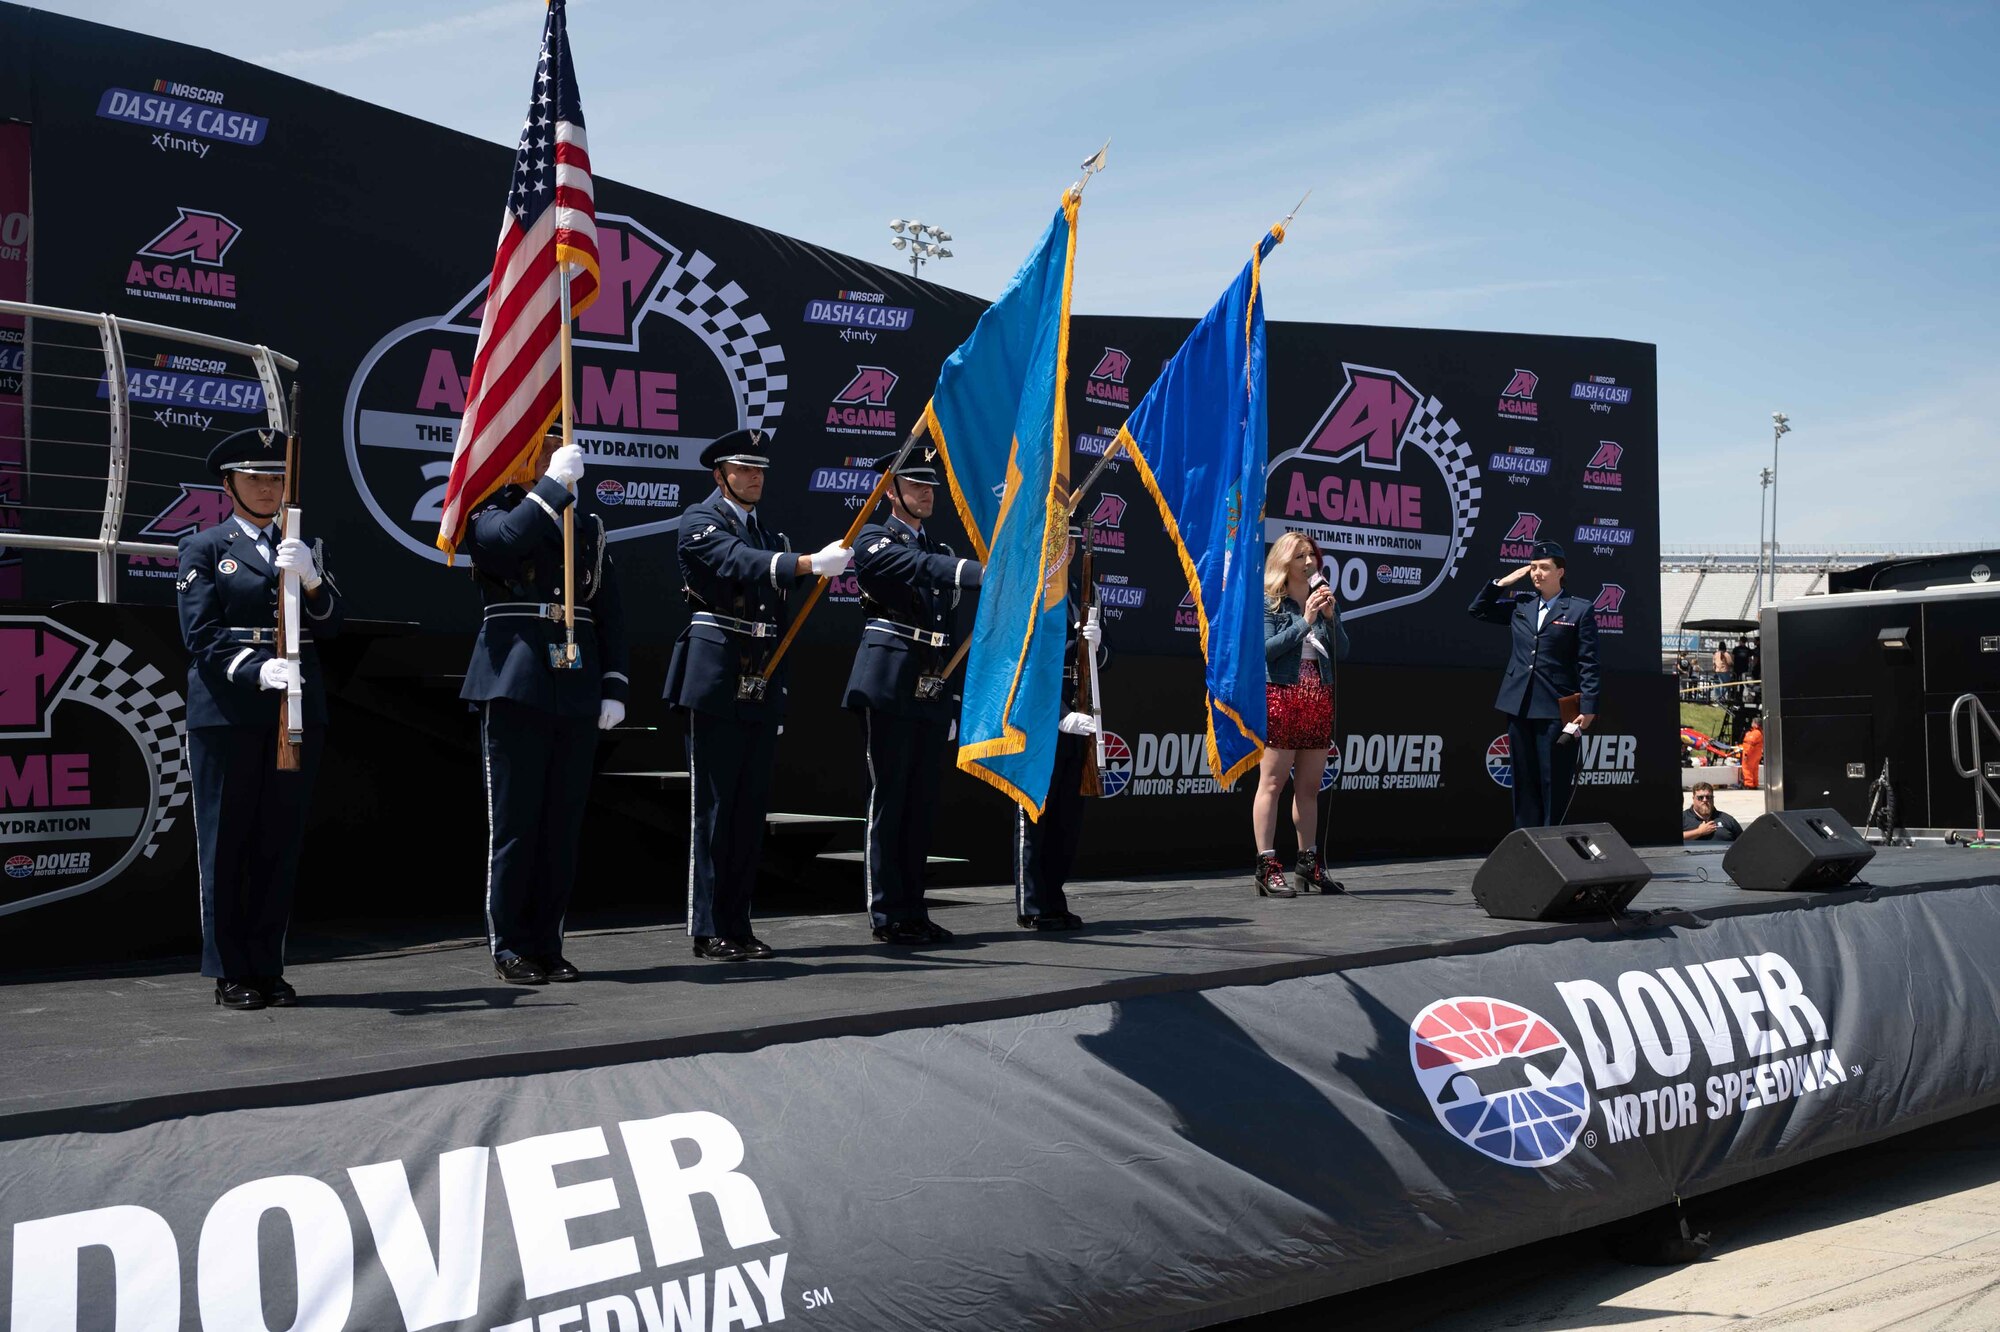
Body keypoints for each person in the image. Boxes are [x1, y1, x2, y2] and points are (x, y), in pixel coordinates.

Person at [176, 424, 345, 1010]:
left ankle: (267, 965)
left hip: (296, 705)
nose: (267, 488)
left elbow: (333, 624)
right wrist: (255, 669)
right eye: (254, 477)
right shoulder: (205, 548)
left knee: (279, 839)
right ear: (229, 484)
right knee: (226, 842)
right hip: (229, 707)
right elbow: (200, 635)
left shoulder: (301, 544)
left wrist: (314, 580)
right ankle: (230, 970)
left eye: (276, 477)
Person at [666, 428, 852, 961]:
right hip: (715, 676)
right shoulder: (700, 521)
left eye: (760, 470)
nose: (755, 478)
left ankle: (738, 923)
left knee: (749, 813)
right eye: (744, 469)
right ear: (719, 474)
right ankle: (707, 927)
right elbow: (735, 562)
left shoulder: (770, 534)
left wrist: (818, 565)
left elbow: (781, 605)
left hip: (759, 681)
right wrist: (806, 563)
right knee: (717, 809)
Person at [460, 435, 628, 984]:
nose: (555, 450)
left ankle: (547, 942)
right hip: (516, 678)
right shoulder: (490, 509)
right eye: (543, 441)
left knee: (561, 824)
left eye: (560, 442)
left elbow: (609, 610)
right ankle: (509, 944)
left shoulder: (588, 526)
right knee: (516, 825)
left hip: (576, 682)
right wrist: (552, 487)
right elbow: (506, 543)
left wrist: (614, 685)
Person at [844, 447, 982, 944]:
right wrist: (978, 573)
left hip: (929, 687)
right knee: (889, 801)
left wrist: (949, 695)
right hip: (887, 681)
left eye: (930, 486)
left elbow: (948, 623)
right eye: (915, 485)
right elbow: (914, 568)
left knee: (921, 805)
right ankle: (887, 914)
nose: (926, 493)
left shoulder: (941, 552)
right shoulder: (874, 539)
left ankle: (913, 908)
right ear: (891, 490)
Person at [1468, 540, 1600, 828]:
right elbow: (1477, 610)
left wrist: (1588, 707)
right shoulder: (1521, 605)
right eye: (1533, 567)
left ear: (1560, 572)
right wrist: (1502, 583)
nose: (1536, 573)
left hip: (1555, 708)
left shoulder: (1579, 610)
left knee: (1553, 779)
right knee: (1523, 778)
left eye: (1544, 568)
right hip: (1518, 704)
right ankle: (1526, 842)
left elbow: (1588, 663)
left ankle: (1552, 842)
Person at [1013, 524, 1103, 930]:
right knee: (1036, 815)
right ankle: (1033, 905)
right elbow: (1025, 660)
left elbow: (1106, 659)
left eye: (1069, 539)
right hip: (1041, 715)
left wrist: (1096, 647)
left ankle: (1054, 898)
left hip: (1079, 716)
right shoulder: (1031, 588)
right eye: (1055, 538)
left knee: (1068, 818)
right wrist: (1059, 712)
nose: (1063, 546)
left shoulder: (1086, 590)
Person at [1252, 531, 1349, 896]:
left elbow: (1343, 650)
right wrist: (1305, 620)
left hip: (1317, 701)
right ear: (1284, 563)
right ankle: (1267, 865)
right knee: (1273, 784)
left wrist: (1330, 616)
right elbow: (1266, 650)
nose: (1310, 563)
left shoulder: (1320, 600)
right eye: (1300, 557)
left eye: (1312, 555)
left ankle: (1309, 865)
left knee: (1308, 789)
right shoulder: (1269, 603)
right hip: (1281, 698)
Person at [1739, 714, 1765, 790]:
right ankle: (1754, 783)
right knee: (1754, 770)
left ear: (1756, 724)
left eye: (1752, 722)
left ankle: (1748, 784)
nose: (1751, 723)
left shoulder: (1754, 733)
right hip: (1756, 754)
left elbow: (1749, 744)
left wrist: (1746, 754)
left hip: (1750, 754)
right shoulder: (1760, 733)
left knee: (1747, 769)